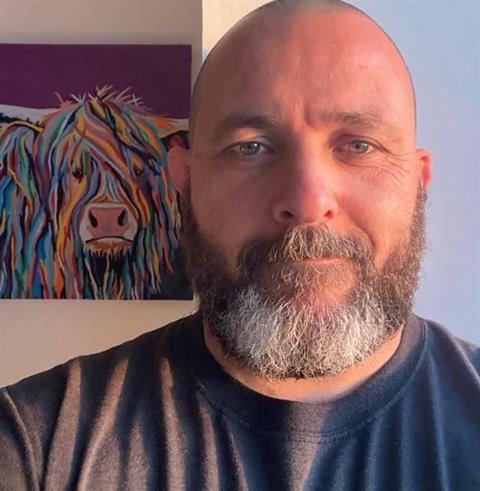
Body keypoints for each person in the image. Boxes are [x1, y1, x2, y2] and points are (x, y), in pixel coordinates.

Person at [1, 0, 479, 489]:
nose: (307, 202)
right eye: (251, 147)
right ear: (185, 182)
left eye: (358, 145)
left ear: (418, 182)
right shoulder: (34, 447)